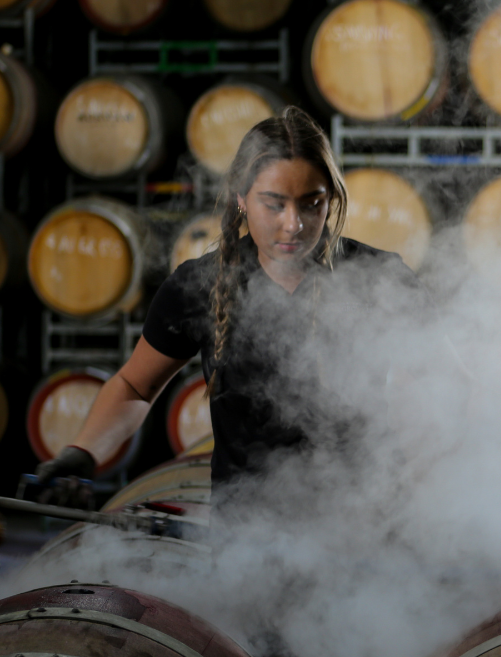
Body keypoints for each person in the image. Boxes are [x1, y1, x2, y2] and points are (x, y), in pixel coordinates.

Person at [35, 106, 430, 494]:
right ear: (242, 198)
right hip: (246, 539)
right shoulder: (199, 285)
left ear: (331, 200)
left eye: (312, 203)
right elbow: (135, 387)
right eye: (274, 203)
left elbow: (446, 388)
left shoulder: (380, 278)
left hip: (362, 524)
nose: (293, 223)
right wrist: (83, 450)